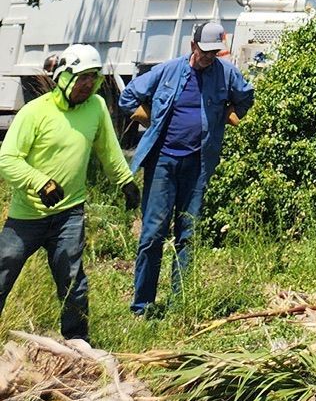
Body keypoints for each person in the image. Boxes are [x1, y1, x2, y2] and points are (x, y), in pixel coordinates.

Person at [0, 43, 140, 342]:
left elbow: (108, 149)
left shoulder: (96, 108)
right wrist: (39, 182)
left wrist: (125, 181)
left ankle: (78, 346)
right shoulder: (34, 113)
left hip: (69, 215)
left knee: (73, 283)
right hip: (27, 217)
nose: (88, 84)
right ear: (63, 77)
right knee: (3, 272)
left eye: (93, 77)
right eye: (81, 77)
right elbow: (7, 159)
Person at [119, 22, 254, 317]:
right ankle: (142, 306)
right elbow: (127, 97)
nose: (209, 57)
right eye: (205, 51)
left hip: (198, 165)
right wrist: (151, 121)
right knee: (153, 234)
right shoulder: (168, 71)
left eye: (214, 52)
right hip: (163, 162)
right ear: (192, 46)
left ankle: (181, 305)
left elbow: (246, 97)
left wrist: (229, 116)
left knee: (187, 235)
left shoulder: (226, 73)